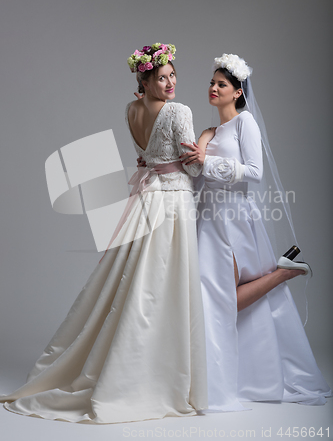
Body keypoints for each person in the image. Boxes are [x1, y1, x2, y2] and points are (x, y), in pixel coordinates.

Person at [0, 43, 208, 423]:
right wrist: (207, 143)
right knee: (162, 285)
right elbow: (192, 169)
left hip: (146, 197)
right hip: (173, 201)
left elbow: (146, 159)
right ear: (144, 81)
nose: (171, 82)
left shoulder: (130, 110)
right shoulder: (180, 111)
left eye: (173, 75)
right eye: (162, 77)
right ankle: (150, 373)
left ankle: (120, 358)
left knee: (134, 281)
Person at [181, 53, 331, 411]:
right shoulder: (209, 132)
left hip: (235, 218)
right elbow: (195, 175)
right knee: (213, 300)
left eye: (222, 84)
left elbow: (254, 172)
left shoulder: (246, 123)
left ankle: (283, 273)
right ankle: (282, 273)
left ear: (237, 92)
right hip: (209, 218)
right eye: (212, 82)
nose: (213, 88)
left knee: (225, 299)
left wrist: (209, 162)